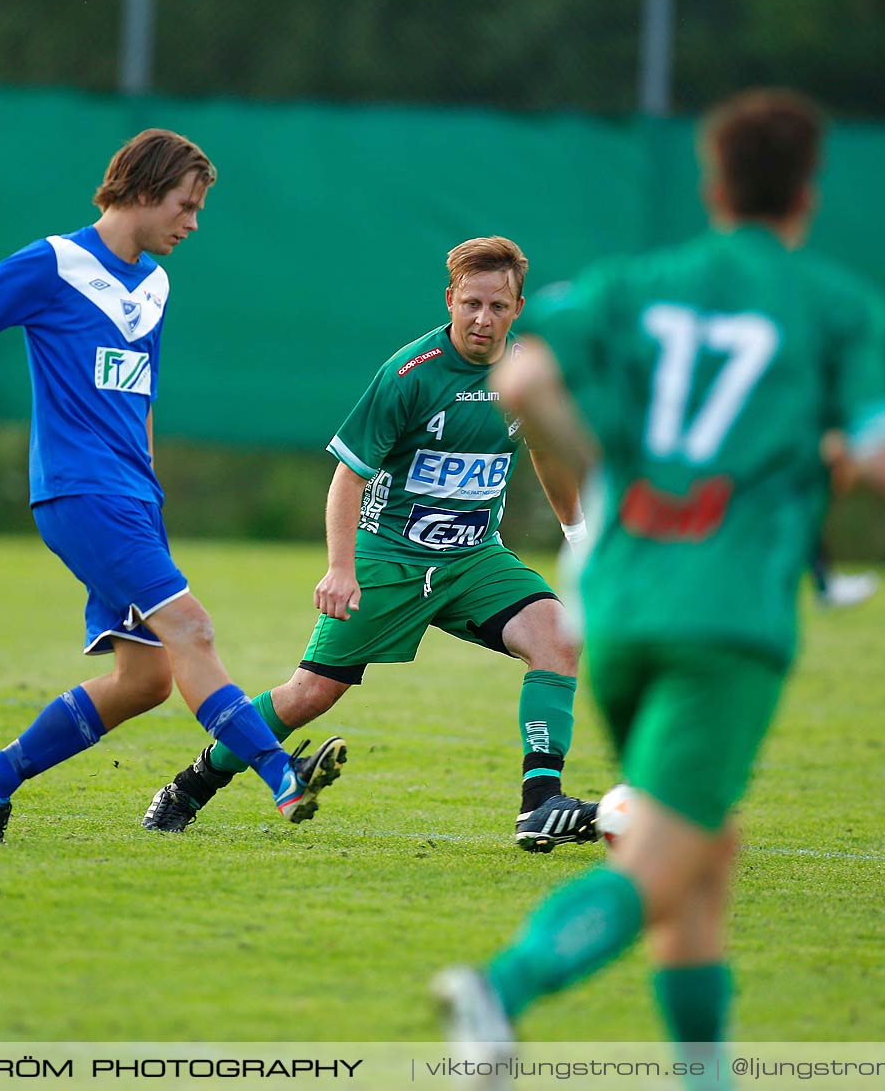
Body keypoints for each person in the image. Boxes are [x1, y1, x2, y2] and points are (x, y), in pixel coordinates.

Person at [432, 90, 885, 1075]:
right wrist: (818, 448)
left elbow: (525, 384)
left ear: (712, 186)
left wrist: (600, 459)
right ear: (808, 195)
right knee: (668, 854)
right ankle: (504, 987)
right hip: (727, 617)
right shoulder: (835, 304)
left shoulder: (630, 287)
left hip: (618, 605)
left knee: (706, 852)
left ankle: (703, 1074)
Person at [0, 128, 346, 843]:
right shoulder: (54, 263)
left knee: (144, 680)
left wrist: (150, 486)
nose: (193, 222)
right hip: (80, 492)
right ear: (144, 190)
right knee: (194, 630)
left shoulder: (154, 284)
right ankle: (278, 773)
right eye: (184, 205)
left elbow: (139, 393)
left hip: (132, 498)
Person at [141, 237, 600, 852]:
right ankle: (189, 787)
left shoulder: (526, 373)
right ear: (450, 301)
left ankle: (540, 803)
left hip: (472, 558)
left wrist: (578, 532)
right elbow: (349, 476)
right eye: (471, 304)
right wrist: (340, 568)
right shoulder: (409, 374)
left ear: (517, 308)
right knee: (310, 694)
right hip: (390, 557)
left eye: (497, 306)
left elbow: (545, 451)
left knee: (557, 639)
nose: (483, 319)